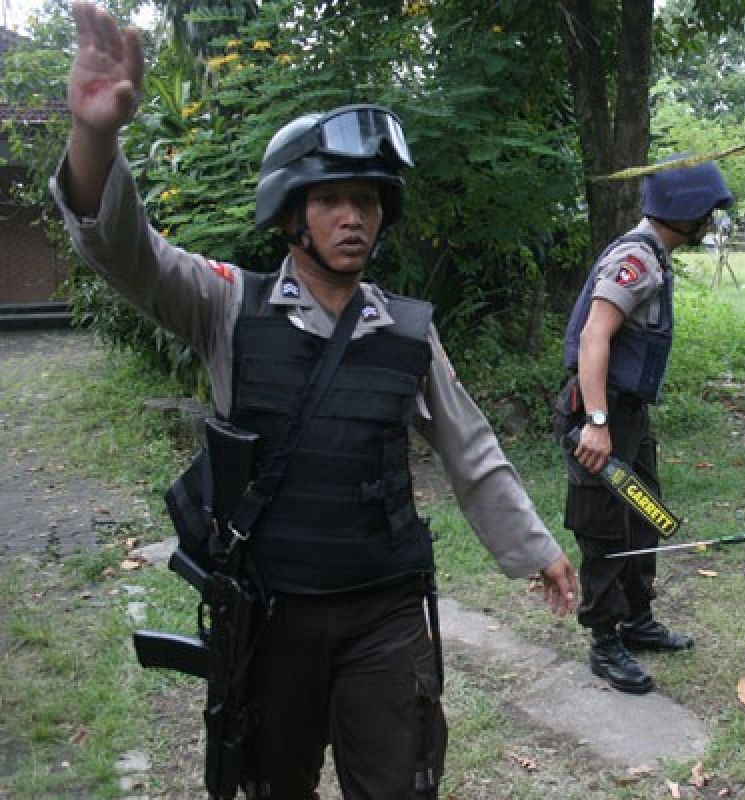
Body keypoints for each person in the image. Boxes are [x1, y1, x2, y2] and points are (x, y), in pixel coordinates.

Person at [53, 4, 578, 797]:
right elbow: (129, 253)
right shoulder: (228, 305)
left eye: (368, 200)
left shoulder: (405, 331)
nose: (354, 216)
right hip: (272, 617)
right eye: (332, 198)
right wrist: (96, 135)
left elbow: (471, 451)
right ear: (291, 210)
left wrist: (537, 549)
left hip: (383, 615)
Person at [554, 155, 733, 694]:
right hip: (600, 412)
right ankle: (604, 639)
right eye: (707, 213)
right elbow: (593, 337)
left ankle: (636, 620)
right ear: (686, 212)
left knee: (644, 513)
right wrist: (597, 421)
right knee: (604, 526)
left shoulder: (654, 253)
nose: (710, 224)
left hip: (627, 415)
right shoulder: (637, 258)